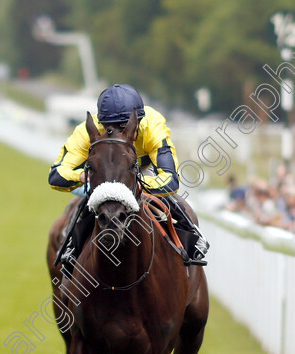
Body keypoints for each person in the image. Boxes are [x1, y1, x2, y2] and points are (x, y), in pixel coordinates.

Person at [48, 84, 208, 269]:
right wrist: (82, 177)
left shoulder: (152, 124)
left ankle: (192, 240)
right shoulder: (86, 131)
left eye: (124, 127)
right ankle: (72, 248)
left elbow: (170, 179)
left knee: (175, 204)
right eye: (111, 128)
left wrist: (137, 184)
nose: (118, 132)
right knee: (86, 206)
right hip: (101, 176)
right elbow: (56, 175)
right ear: (101, 123)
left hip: (140, 172)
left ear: (137, 120)